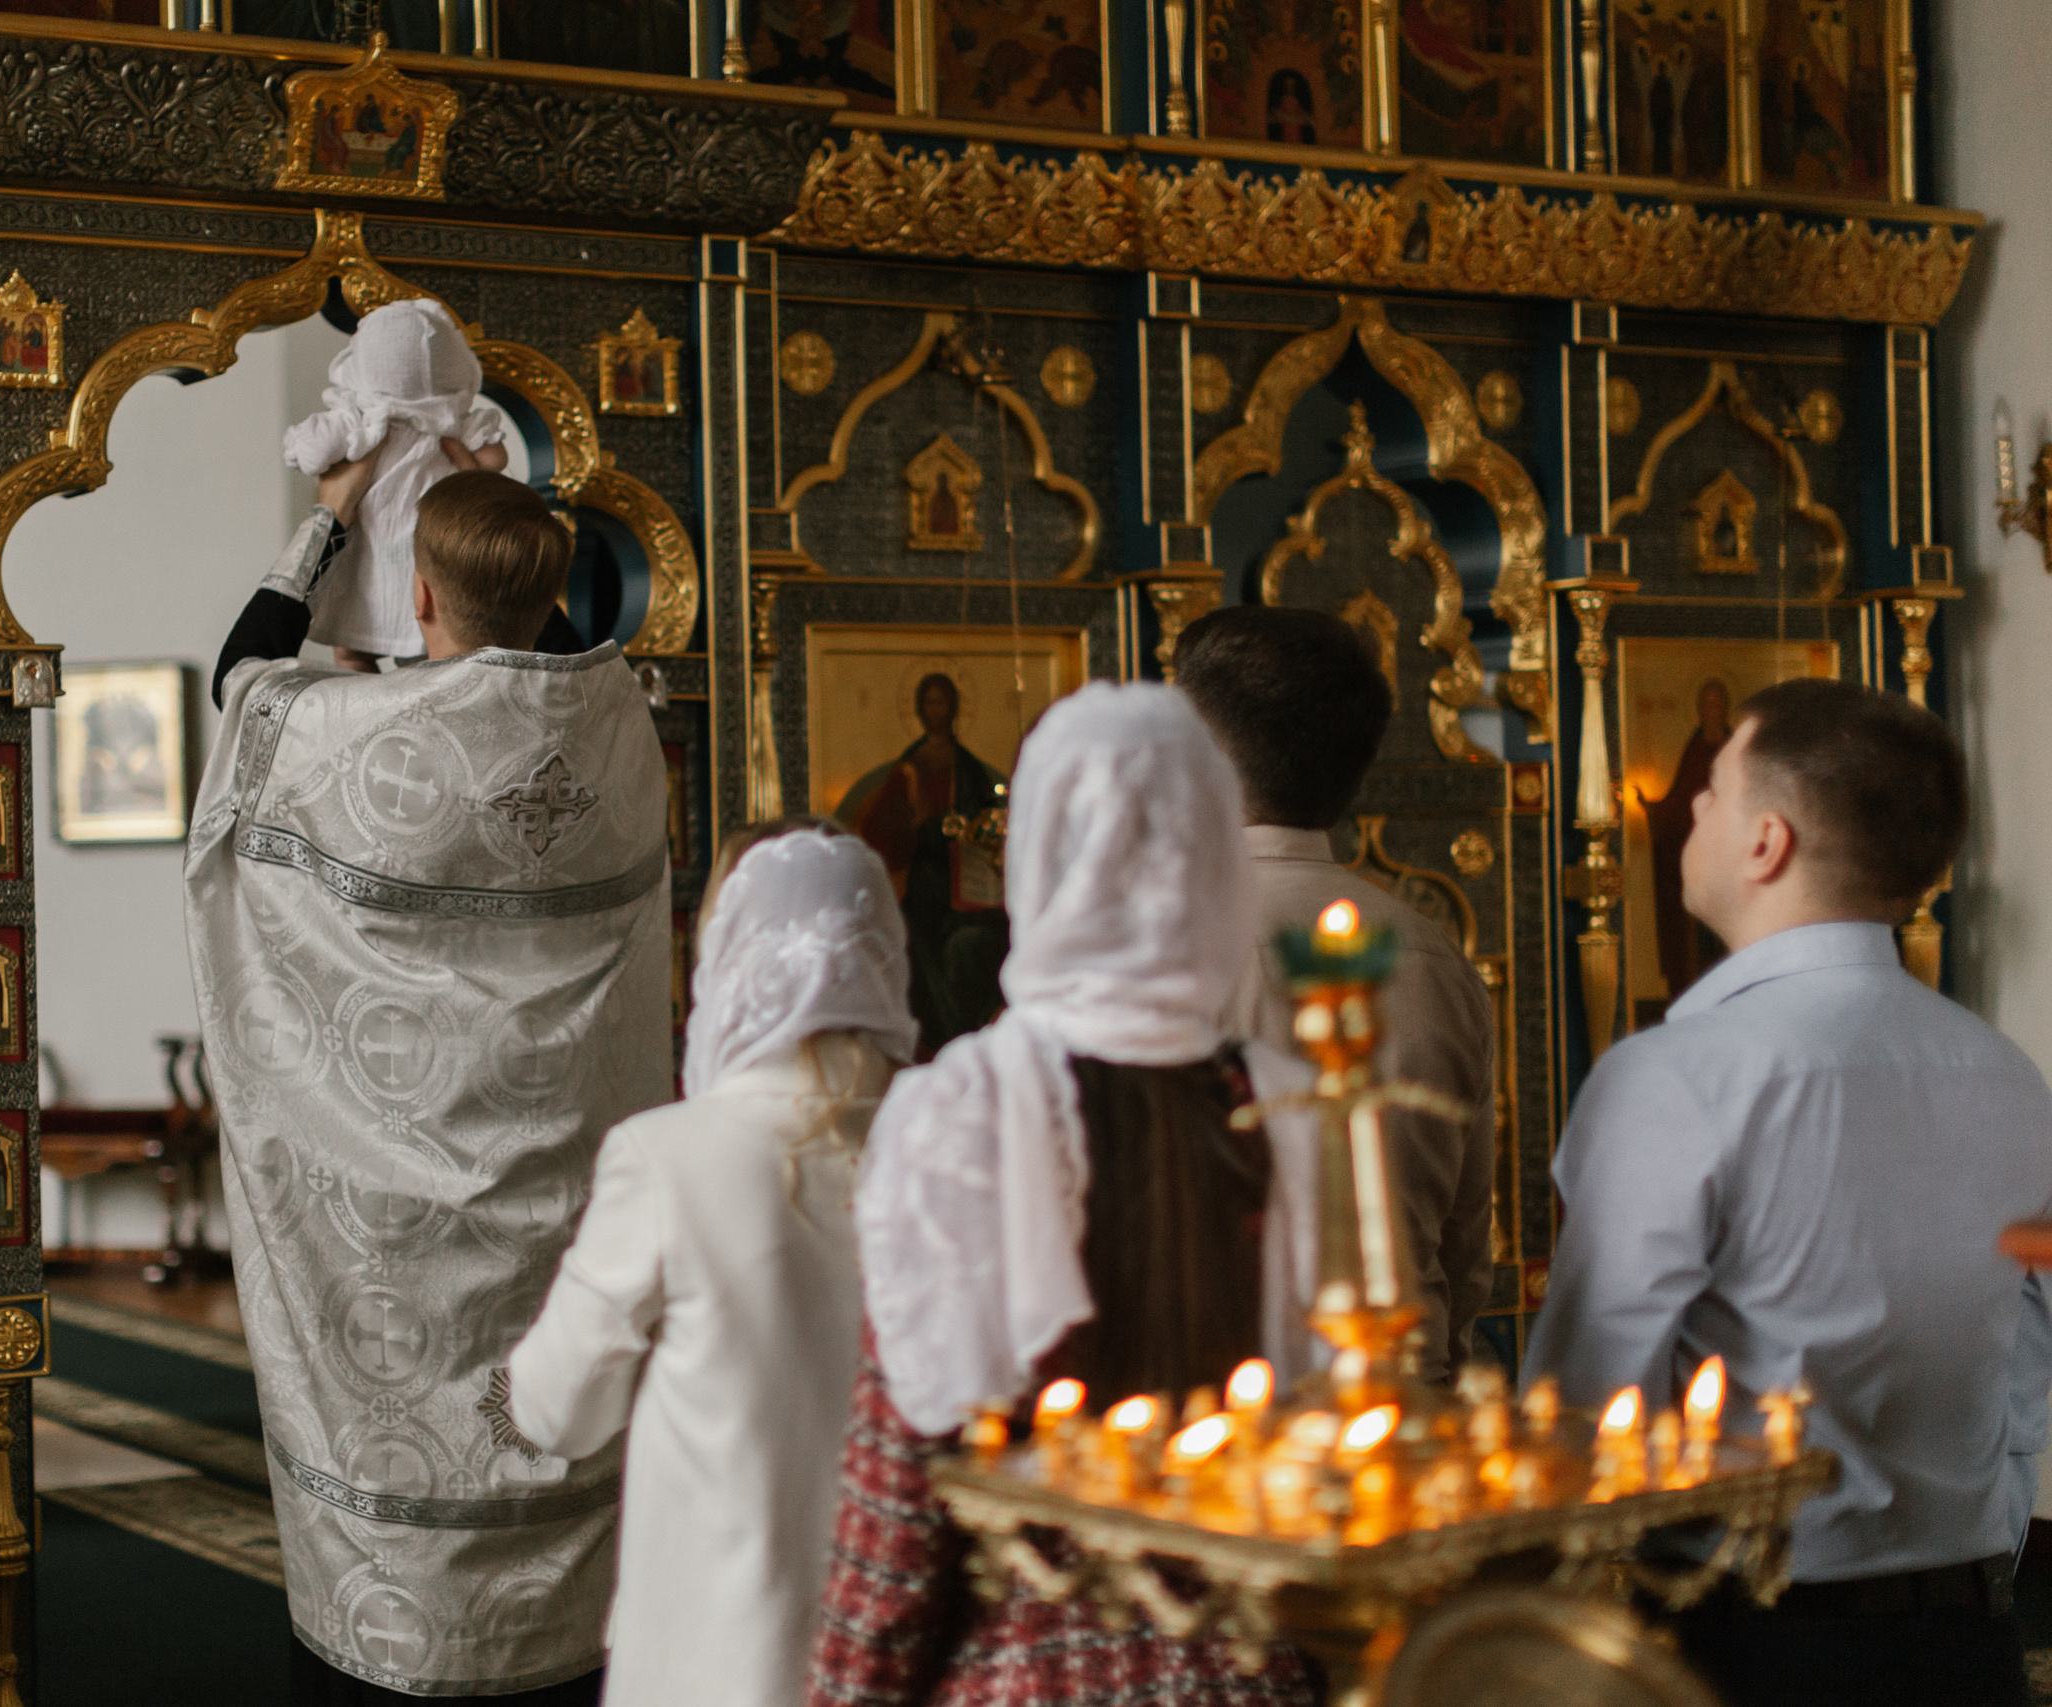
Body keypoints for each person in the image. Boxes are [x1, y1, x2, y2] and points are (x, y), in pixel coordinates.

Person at [187, 454, 672, 1706]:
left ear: (416, 597)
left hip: (391, 1245)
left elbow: (240, 680)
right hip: (557, 1208)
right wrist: (501, 526)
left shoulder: (351, 737)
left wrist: (324, 521)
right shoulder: (617, 729)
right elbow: (543, 659)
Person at [1523, 678, 2052, 1707]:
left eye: (1710, 790)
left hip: (1746, 1647)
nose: (1688, 810)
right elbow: (2028, 1358)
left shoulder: (1675, 1075)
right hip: (1969, 1645)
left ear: (1766, 842)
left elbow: (1585, 1410)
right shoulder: (2000, 1070)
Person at [808, 683, 1321, 1707]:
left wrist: (846, 1690)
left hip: (1031, 1673)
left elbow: (902, 1498)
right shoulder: (1294, 1101)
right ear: (1212, 864)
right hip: (1252, 1667)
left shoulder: (964, 1111)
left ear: (1033, 855)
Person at [496, 818, 918, 1707]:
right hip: (901, 1639)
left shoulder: (668, 1157)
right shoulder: (945, 1143)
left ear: (731, 957)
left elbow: (556, 1408)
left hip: (718, 1656)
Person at [1175, 605, 1496, 1386]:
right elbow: (1464, 1240)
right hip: (1405, 1407)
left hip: (1213, 1434)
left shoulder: (1154, 951)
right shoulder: (1436, 954)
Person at [278, 299, 511, 669]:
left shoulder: (359, 419)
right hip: (430, 556)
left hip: (366, 554)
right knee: (424, 653)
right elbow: (494, 460)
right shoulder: (450, 420)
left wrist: (300, 447)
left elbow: (311, 453)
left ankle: (371, 710)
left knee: (351, 653)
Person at [838, 673, 1009, 1055]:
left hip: (968, 882)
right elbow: (884, 831)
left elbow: (988, 815)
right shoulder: (908, 768)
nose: (936, 711)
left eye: (942, 702)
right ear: (919, 709)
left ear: (954, 708)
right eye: (929, 703)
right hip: (928, 883)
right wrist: (920, 827)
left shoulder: (968, 767)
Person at [1637, 675, 1734, 1002]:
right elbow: (1679, 802)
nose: (1712, 711)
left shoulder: (1735, 750)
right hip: (1702, 865)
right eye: (1706, 705)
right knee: (1696, 941)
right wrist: (1653, 810)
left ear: (1725, 708)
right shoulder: (1694, 750)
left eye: (1717, 704)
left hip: (1733, 865)